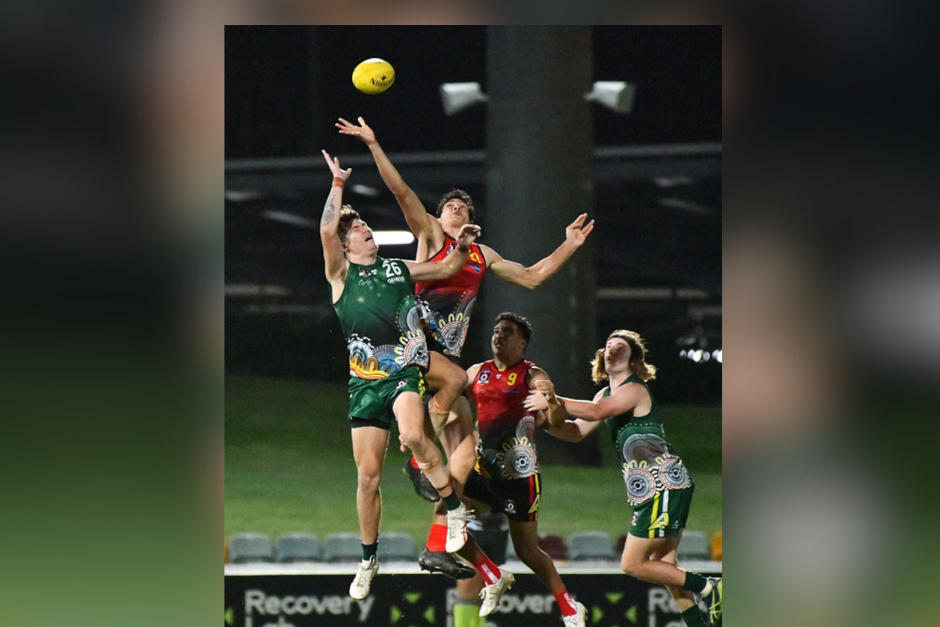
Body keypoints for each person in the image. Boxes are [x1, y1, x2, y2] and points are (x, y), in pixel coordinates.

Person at [336, 116, 595, 579]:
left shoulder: (481, 254)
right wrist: (374, 145)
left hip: (441, 355)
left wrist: (569, 245)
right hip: (411, 344)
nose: (456, 209)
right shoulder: (432, 234)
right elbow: (401, 193)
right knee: (454, 386)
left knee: (467, 448)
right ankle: (416, 450)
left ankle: (439, 539)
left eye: (462, 207)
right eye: (450, 205)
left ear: (471, 219)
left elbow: (533, 276)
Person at [318, 149, 480, 600]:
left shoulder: (397, 269)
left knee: (412, 434)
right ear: (347, 245)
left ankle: (453, 510)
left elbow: (447, 267)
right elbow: (326, 228)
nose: (366, 231)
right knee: (367, 478)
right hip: (364, 384)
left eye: (366, 227)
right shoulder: (340, 275)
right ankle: (369, 559)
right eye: (358, 231)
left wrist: (463, 247)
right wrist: (337, 184)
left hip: (405, 372)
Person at [525, 330, 722, 626]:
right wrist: (543, 420)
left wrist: (552, 398)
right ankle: (698, 622)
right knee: (665, 566)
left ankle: (713, 588)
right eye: (608, 346)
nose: (611, 349)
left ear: (634, 360)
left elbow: (597, 412)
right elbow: (575, 431)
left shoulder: (634, 390)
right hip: (655, 489)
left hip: (663, 483)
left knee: (632, 564)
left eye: (621, 347)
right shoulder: (604, 393)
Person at [453, 312, 587, 626]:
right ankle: (493, 575)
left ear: (522, 343)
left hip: (520, 477)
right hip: (484, 472)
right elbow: (452, 402)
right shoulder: (478, 372)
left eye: (508, 332)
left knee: (527, 550)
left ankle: (569, 607)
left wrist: (549, 402)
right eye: (497, 331)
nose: (499, 336)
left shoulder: (531, 374)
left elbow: (555, 420)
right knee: (451, 525)